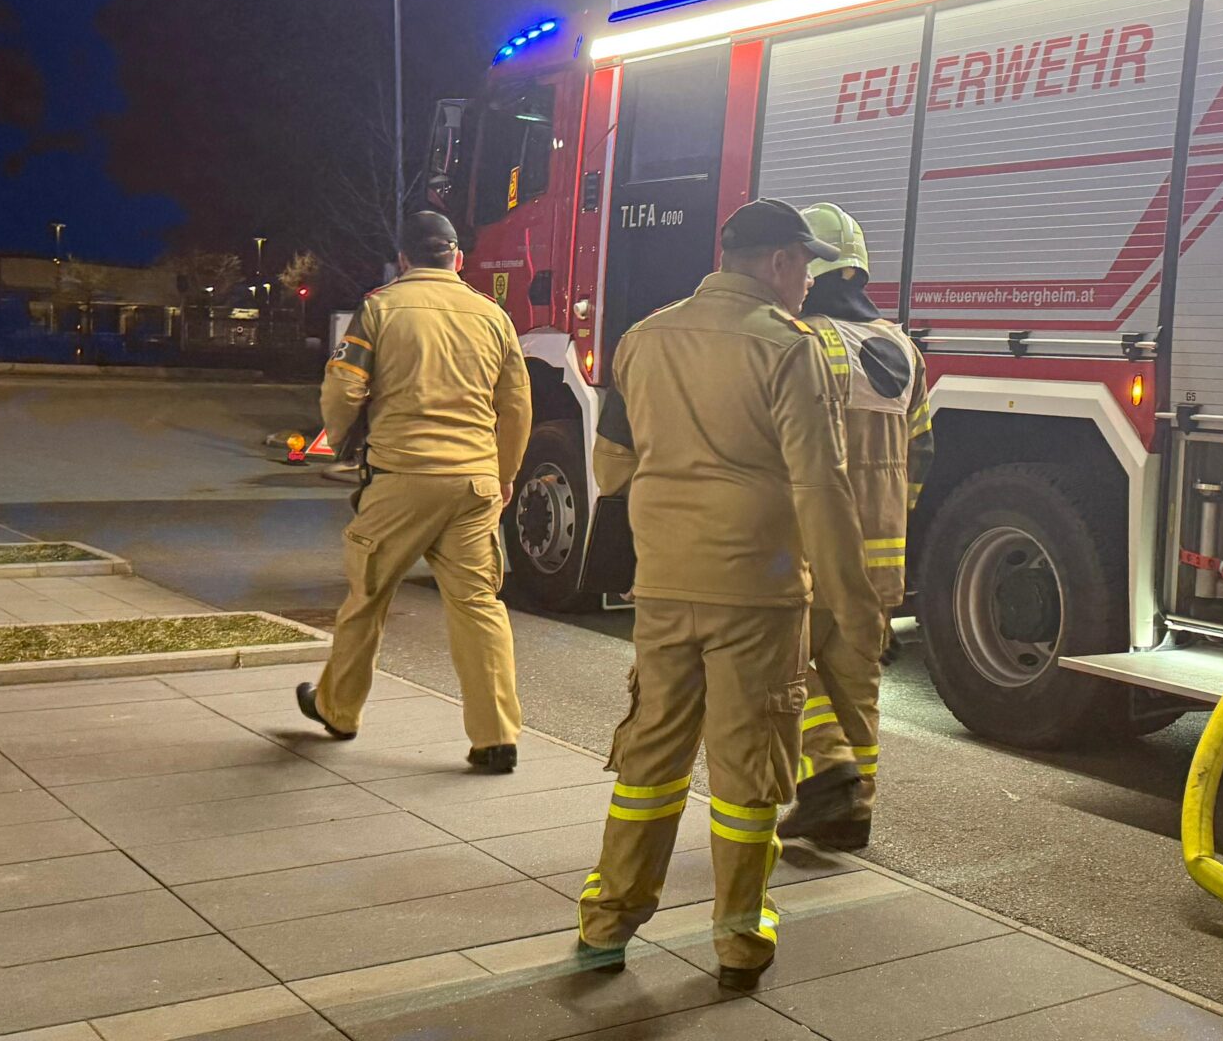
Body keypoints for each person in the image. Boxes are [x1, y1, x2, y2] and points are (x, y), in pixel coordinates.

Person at [576, 199, 882, 989]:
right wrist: (854, 608)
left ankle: (608, 923)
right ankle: (740, 939)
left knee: (651, 754)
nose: (808, 282)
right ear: (779, 262)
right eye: (804, 266)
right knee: (748, 771)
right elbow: (821, 486)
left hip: (664, 584)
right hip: (758, 594)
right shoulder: (789, 348)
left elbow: (611, 468)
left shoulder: (644, 338)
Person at [297, 209, 530, 770]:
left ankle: (338, 710)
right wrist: (504, 474)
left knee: (368, 597)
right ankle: (496, 736)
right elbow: (517, 403)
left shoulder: (380, 309)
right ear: (458, 258)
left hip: (401, 478)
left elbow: (344, 388)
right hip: (473, 482)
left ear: (403, 259)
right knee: (478, 605)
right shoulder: (493, 315)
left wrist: (342, 438)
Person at [776, 201, 932, 851]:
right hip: (880, 562)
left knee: (776, 668)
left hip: (808, 551)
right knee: (855, 686)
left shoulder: (801, 341)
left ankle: (828, 767)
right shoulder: (904, 349)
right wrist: (893, 515)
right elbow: (922, 453)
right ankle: (854, 814)